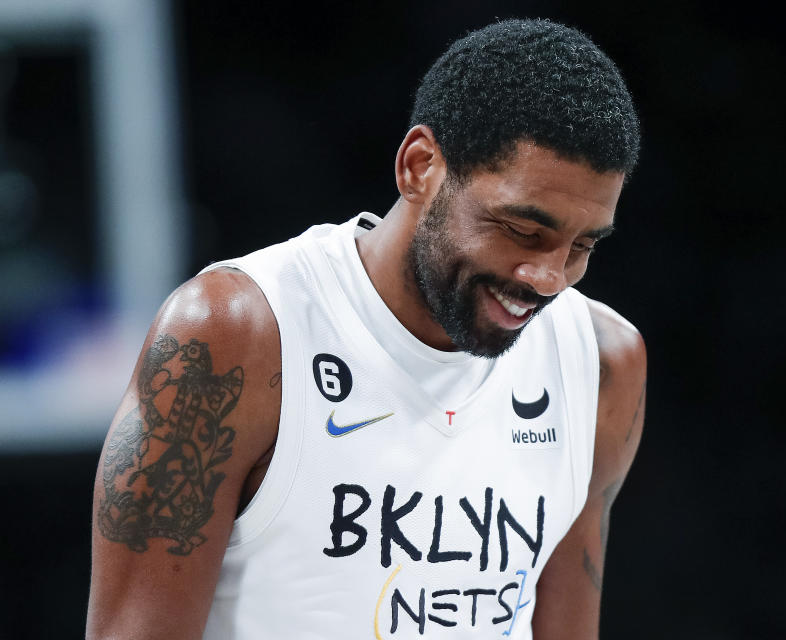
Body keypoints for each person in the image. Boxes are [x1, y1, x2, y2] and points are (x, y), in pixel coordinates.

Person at [86, 18, 647, 640]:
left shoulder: (600, 366)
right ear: (420, 166)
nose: (548, 276)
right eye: (522, 229)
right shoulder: (234, 335)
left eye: (582, 246)